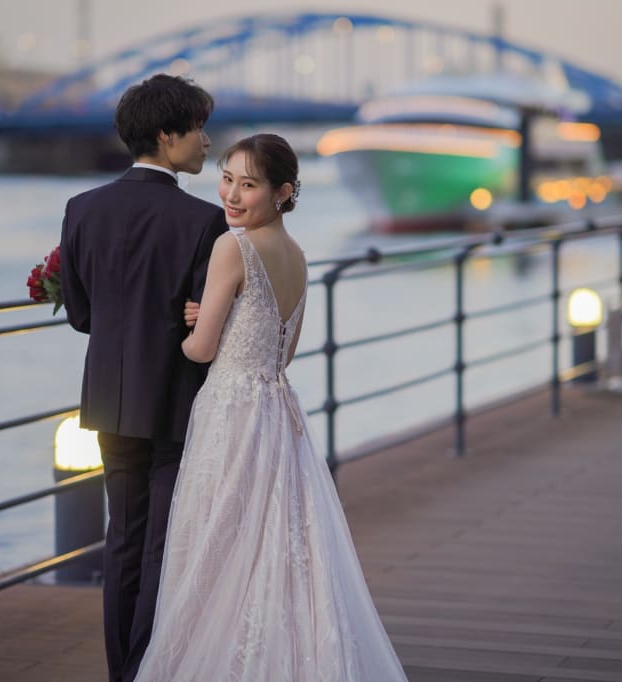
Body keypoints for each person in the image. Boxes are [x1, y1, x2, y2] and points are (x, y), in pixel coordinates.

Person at [134, 134, 407, 681]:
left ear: (283, 193)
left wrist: (184, 328)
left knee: (219, 540)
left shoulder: (231, 248)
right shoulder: (299, 257)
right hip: (277, 409)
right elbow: (284, 349)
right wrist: (218, 316)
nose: (232, 195)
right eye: (228, 178)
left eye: (249, 185)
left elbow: (204, 349)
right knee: (275, 543)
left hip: (230, 409)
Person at [58, 74, 229, 682]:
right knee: (161, 547)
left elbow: (81, 314)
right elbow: (206, 329)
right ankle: (146, 670)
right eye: (199, 129)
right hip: (175, 405)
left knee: (122, 542)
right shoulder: (204, 221)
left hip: (107, 401)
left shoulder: (83, 209)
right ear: (167, 135)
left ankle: (120, 673)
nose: (208, 142)